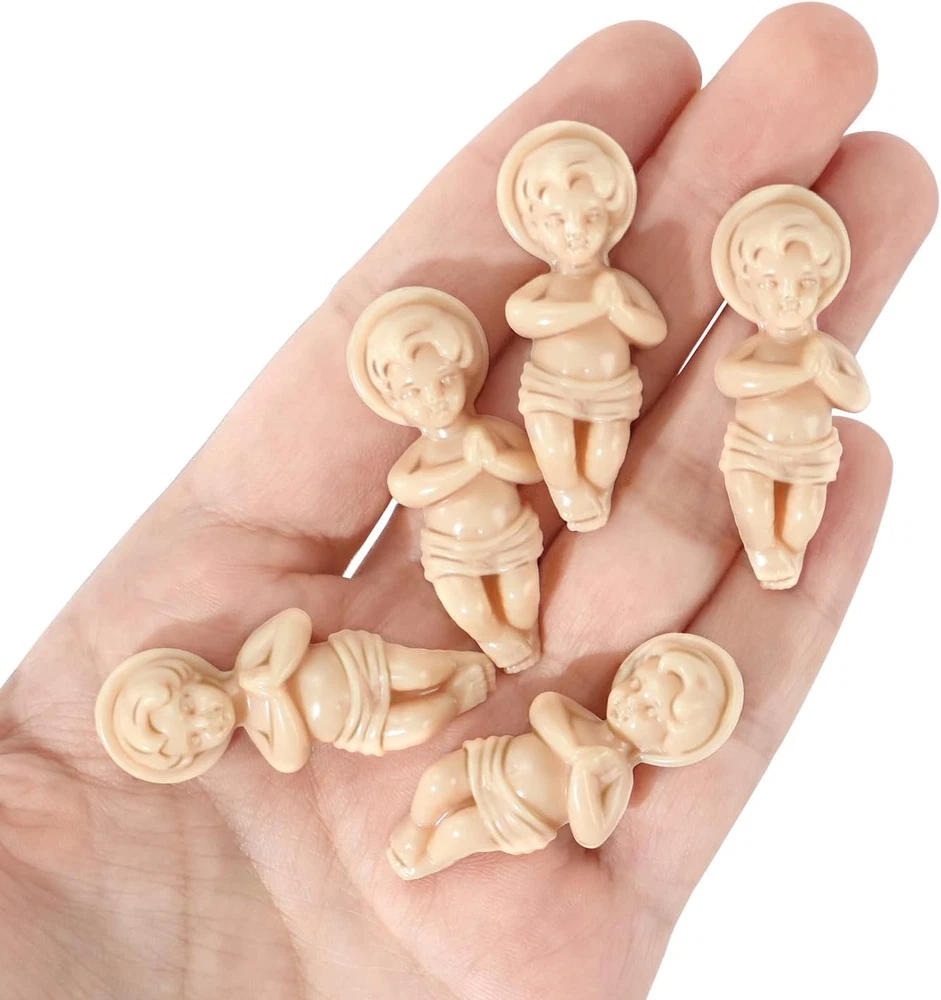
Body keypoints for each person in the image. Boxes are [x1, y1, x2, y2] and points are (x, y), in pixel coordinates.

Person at [1, 9, 933, 999]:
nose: (574, 232)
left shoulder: (593, 756)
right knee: (456, 699)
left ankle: (528, 594)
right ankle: (500, 629)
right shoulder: (452, 446)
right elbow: (452, 434)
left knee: (617, 527)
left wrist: (614, 322)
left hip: (576, 459)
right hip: (452, 564)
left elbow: (671, 341)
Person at [387, 635, 742, 879]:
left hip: (519, 817)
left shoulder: (615, 774)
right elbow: (545, 707)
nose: (630, 702)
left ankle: (424, 860)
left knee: (459, 833)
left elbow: (590, 833)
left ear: (667, 744)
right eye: (635, 686)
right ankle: (414, 830)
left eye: (649, 710)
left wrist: (584, 777)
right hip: (494, 761)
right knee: (437, 781)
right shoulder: (585, 725)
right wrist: (574, 750)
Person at [349, 287, 544, 672]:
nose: (433, 399)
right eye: (413, 391)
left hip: (510, 537)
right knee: (472, 612)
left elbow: (534, 468)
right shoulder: (423, 453)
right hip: (452, 552)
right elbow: (404, 488)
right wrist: (469, 467)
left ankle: (524, 638)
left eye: (444, 381)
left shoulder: (491, 431)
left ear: (465, 375)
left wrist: (498, 460)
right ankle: (496, 641)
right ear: (394, 402)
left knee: (523, 604)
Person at [95, 608, 497, 782]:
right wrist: (276, 696)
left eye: (190, 706)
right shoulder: (263, 733)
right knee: (422, 724)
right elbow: (292, 760)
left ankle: (462, 663)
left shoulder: (252, 660)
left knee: (425, 671)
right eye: (198, 737)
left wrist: (275, 672)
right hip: (360, 727)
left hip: (360, 664)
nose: (207, 720)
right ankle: (461, 697)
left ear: (189, 678)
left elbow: (294, 622)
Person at [499, 121, 667, 530]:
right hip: (551, 389)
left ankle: (595, 494)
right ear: (535, 228)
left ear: (611, 221)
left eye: (590, 217)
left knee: (606, 455)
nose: (575, 232)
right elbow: (520, 316)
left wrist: (620, 311)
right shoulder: (548, 287)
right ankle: (568, 492)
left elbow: (654, 332)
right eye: (557, 221)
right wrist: (593, 308)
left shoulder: (617, 285)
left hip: (611, 391)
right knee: (553, 450)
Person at [713, 185, 870, 589]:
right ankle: (763, 552)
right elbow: (729, 378)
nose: (788, 297)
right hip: (752, 449)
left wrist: (826, 375)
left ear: (823, 286)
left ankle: (789, 553)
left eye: (804, 284)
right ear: (747, 288)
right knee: (753, 510)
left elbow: (858, 397)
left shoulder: (823, 350)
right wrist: (799, 372)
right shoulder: (758, 348)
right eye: (771, 284)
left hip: (810, 454)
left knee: (802, 518)